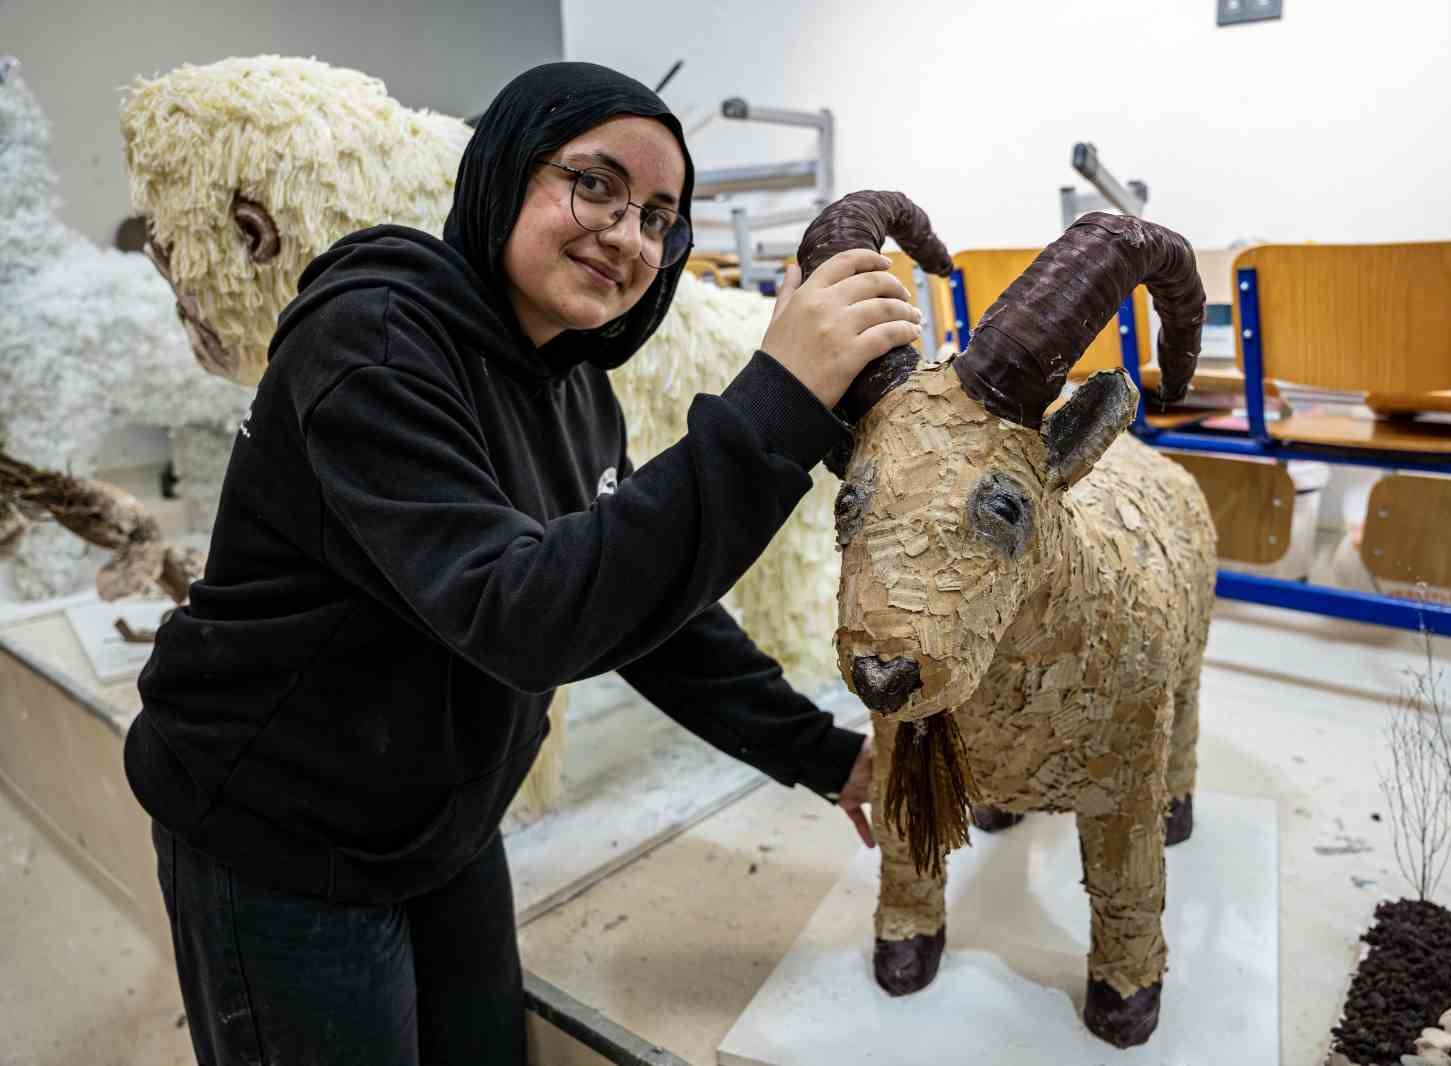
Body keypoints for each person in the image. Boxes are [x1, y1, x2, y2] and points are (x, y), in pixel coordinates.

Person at [124, 61, 924, 1065]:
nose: (626, 233)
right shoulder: (373, 338)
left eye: (656, 217)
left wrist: (829, 756)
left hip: (437, 820)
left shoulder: (573, 389)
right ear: (503, 168)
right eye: (594, 183)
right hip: (282, 833)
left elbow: (646, 614)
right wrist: (777, 400)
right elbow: (524, 611)